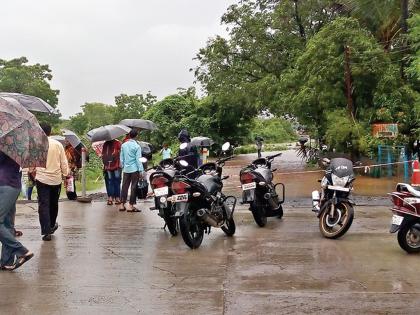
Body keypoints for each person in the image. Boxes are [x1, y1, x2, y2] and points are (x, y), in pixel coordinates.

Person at [0, 151, 34, 270]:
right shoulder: (17, 145)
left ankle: (21, 251)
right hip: (13, 184)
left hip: (5, 185)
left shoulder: (4, 145)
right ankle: (7, 261)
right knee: (7, 223)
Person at [35, 123, 69, 241]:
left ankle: (46, 231)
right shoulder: (58, 145)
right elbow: (64, 162)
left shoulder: (37, 144)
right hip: (55, 179)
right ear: (50, 131)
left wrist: (32, 172)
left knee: (43, 204)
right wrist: (66, 174)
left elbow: (32, 162)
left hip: (41, 179)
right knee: (53, 203)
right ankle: (51, 225)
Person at [119, 129, 143, 212]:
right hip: (134, 170)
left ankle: (122, 204)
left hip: (126, 169)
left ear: (129, 135)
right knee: (133, 187)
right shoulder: (137, 146)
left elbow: (121, 158)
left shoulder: (124, 145)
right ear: (136, 136)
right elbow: (138, 159)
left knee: (124, 187)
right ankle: (130, 205)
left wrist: (123, 166)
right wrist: (141, 171)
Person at [102, 139, 122, 205]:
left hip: (108, 166)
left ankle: (110, 198)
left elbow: (103, 155)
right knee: (117, 181)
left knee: (110, 182)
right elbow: (121, 153)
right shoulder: (118, 143)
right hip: (116, 165)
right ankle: (117, 198)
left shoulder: (105, 144)